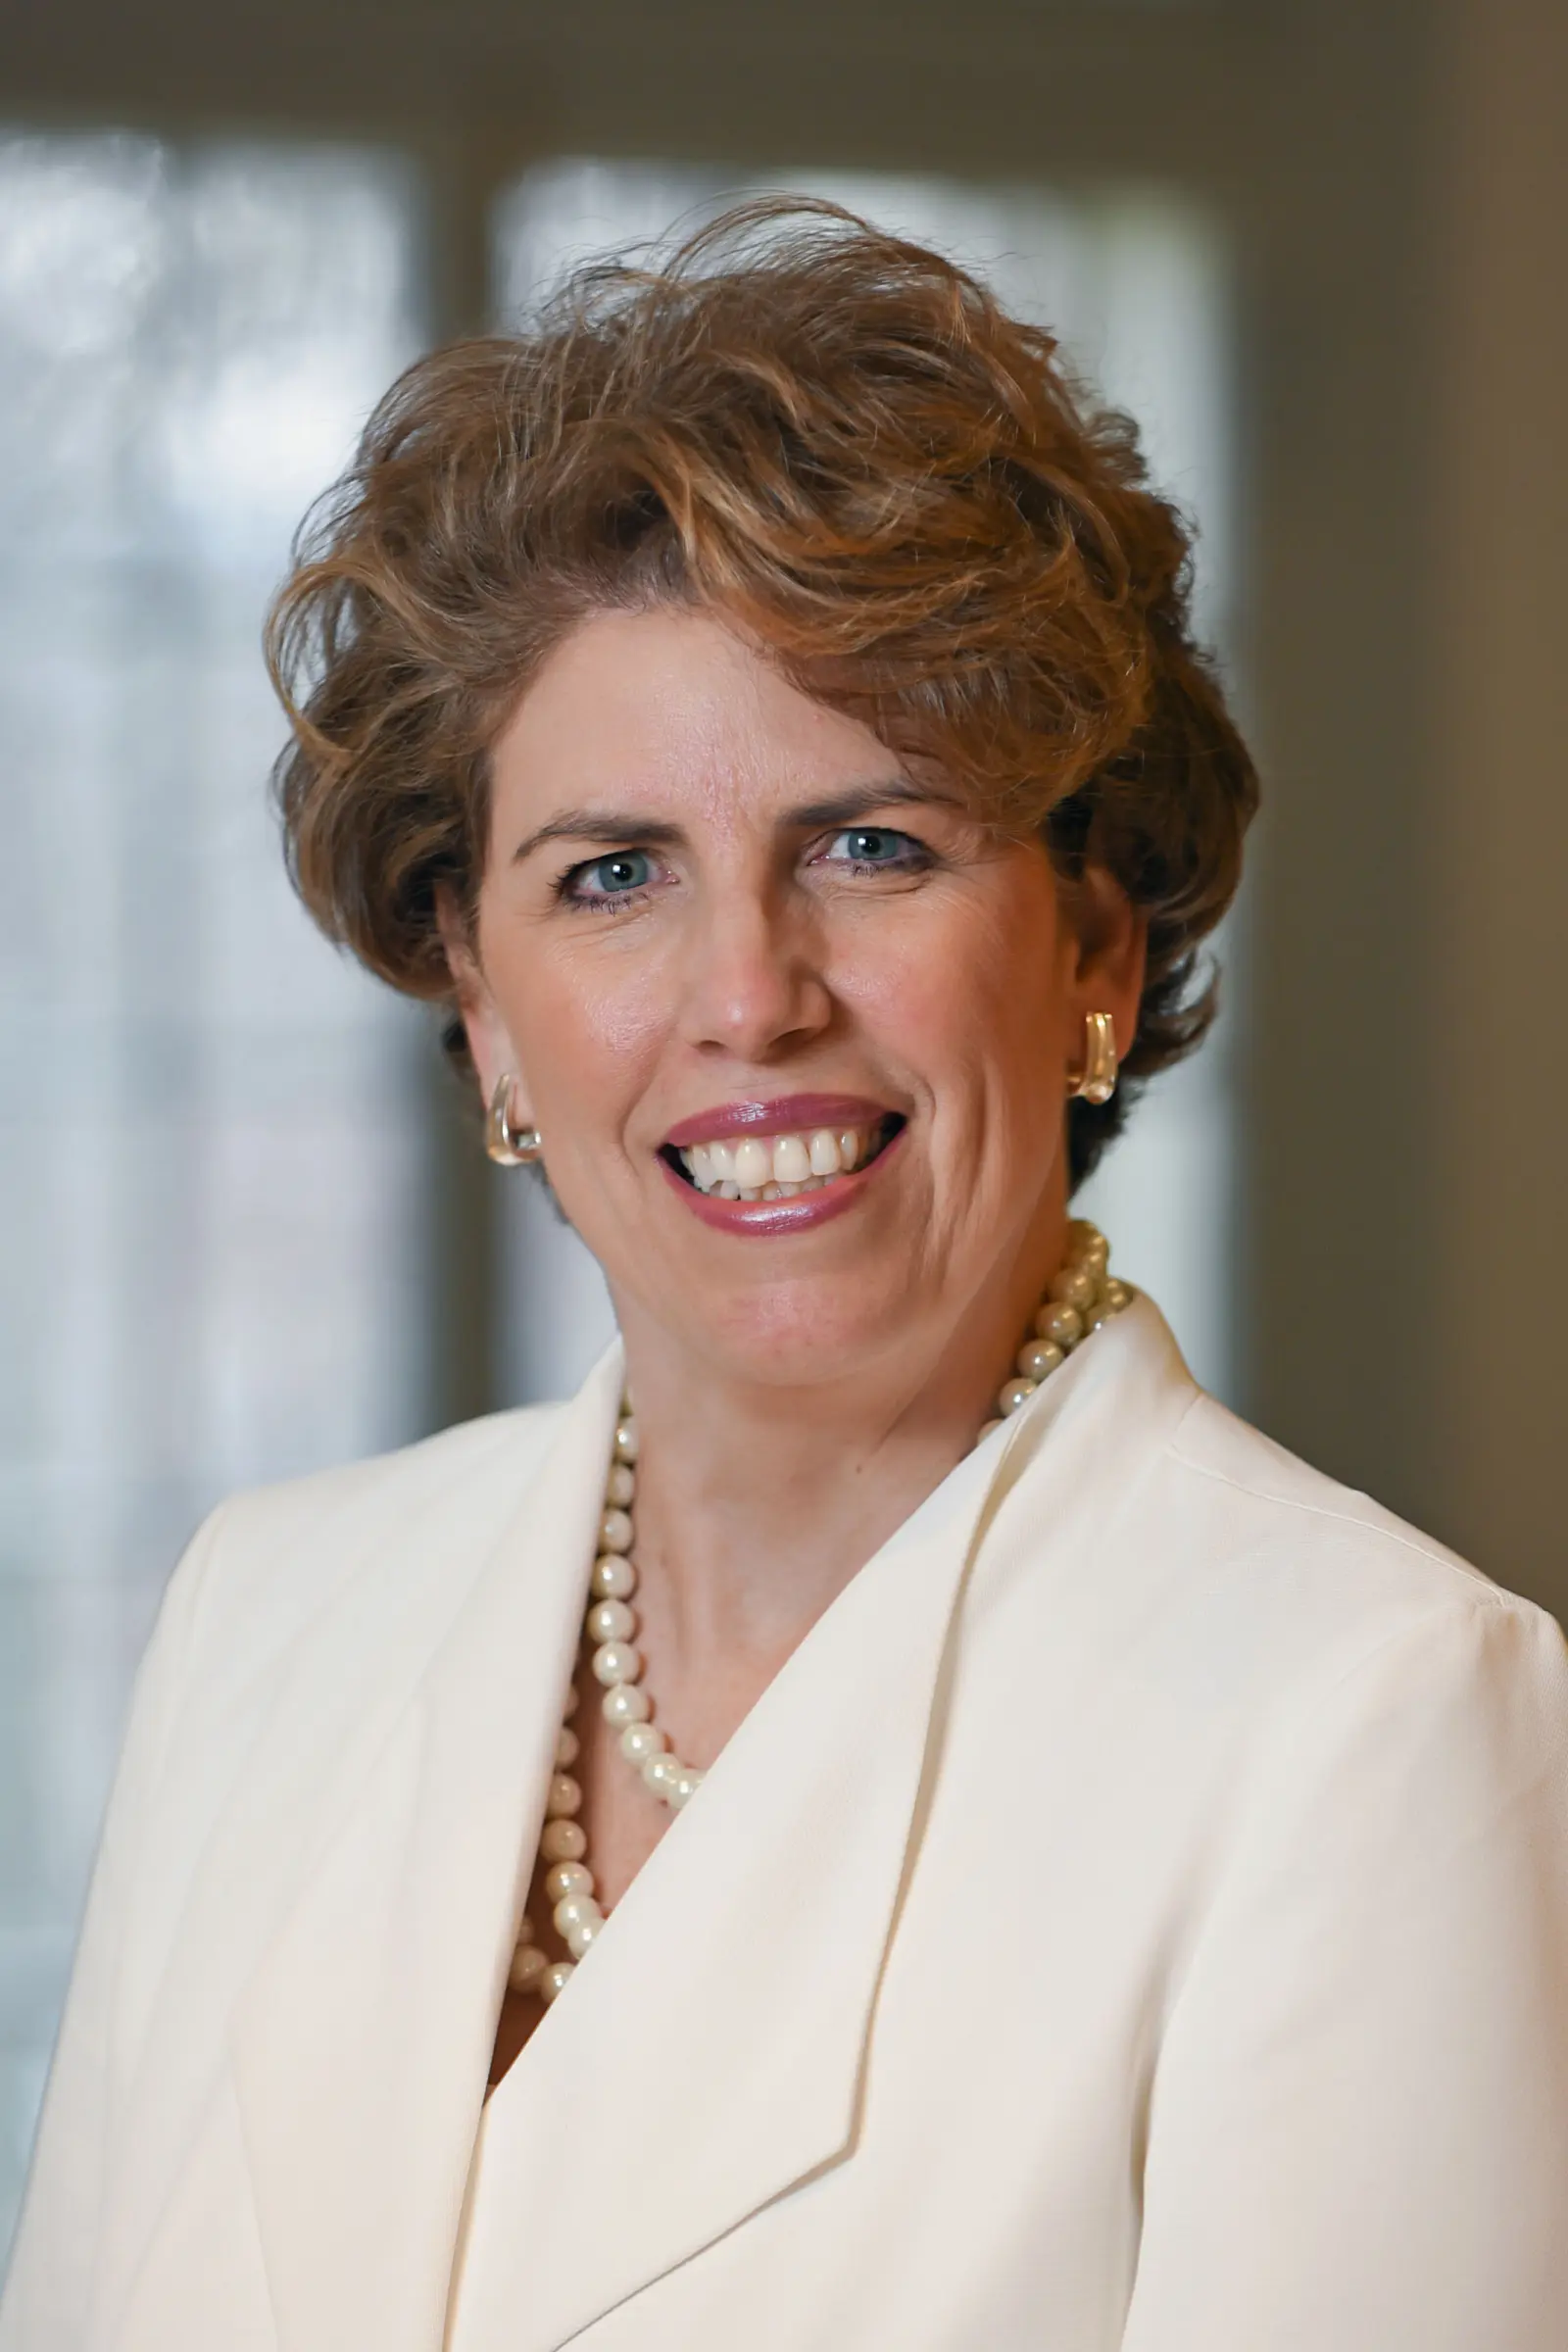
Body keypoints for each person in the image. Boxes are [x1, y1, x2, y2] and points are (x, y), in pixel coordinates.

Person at [5, 199, 1567, 2352]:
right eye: (614, 873)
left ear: (1092, 952)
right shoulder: (263, 1622)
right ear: (479, 1005)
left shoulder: (1371, 1729)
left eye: (872, 845)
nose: (746, 995)